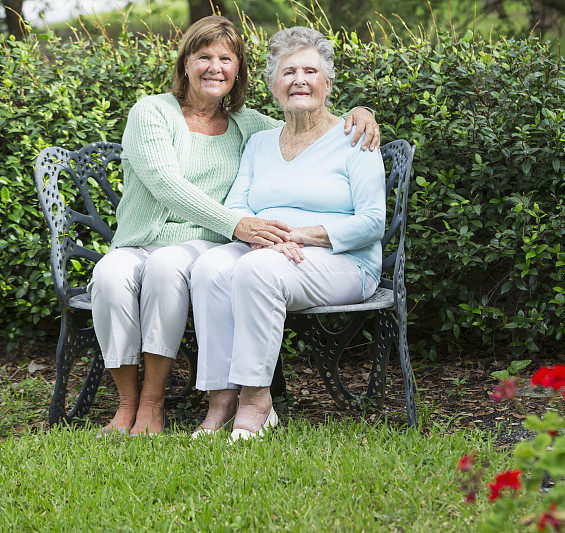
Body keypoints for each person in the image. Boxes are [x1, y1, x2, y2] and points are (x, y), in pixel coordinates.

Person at [88, 16, 380, 436]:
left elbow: (312, 121)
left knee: (171, 267)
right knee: (110, 276)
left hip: (213, 245)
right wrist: (244, 226)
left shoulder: (251, 124)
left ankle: (164, 403)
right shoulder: (156, 112)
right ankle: (131, 404)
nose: (214, 67)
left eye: (226, 58)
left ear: (238, 71)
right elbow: (170, 184)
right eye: (203, 56)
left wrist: (361, 110)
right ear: (184, 64)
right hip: (152, 240)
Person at [190, 26, 385, 440]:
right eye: (288, 71)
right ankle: (220, 399)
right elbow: (238, 206)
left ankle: (257, 403)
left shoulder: (356, 136)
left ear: (328, 83)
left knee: (257, 271)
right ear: (272, 85)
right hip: (270, 249)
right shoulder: (260, 142)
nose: (300, 79)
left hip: (341, 260)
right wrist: (259, 234)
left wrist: (301, 235)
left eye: (310, 71)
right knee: (208, 267)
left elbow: (372, 221)